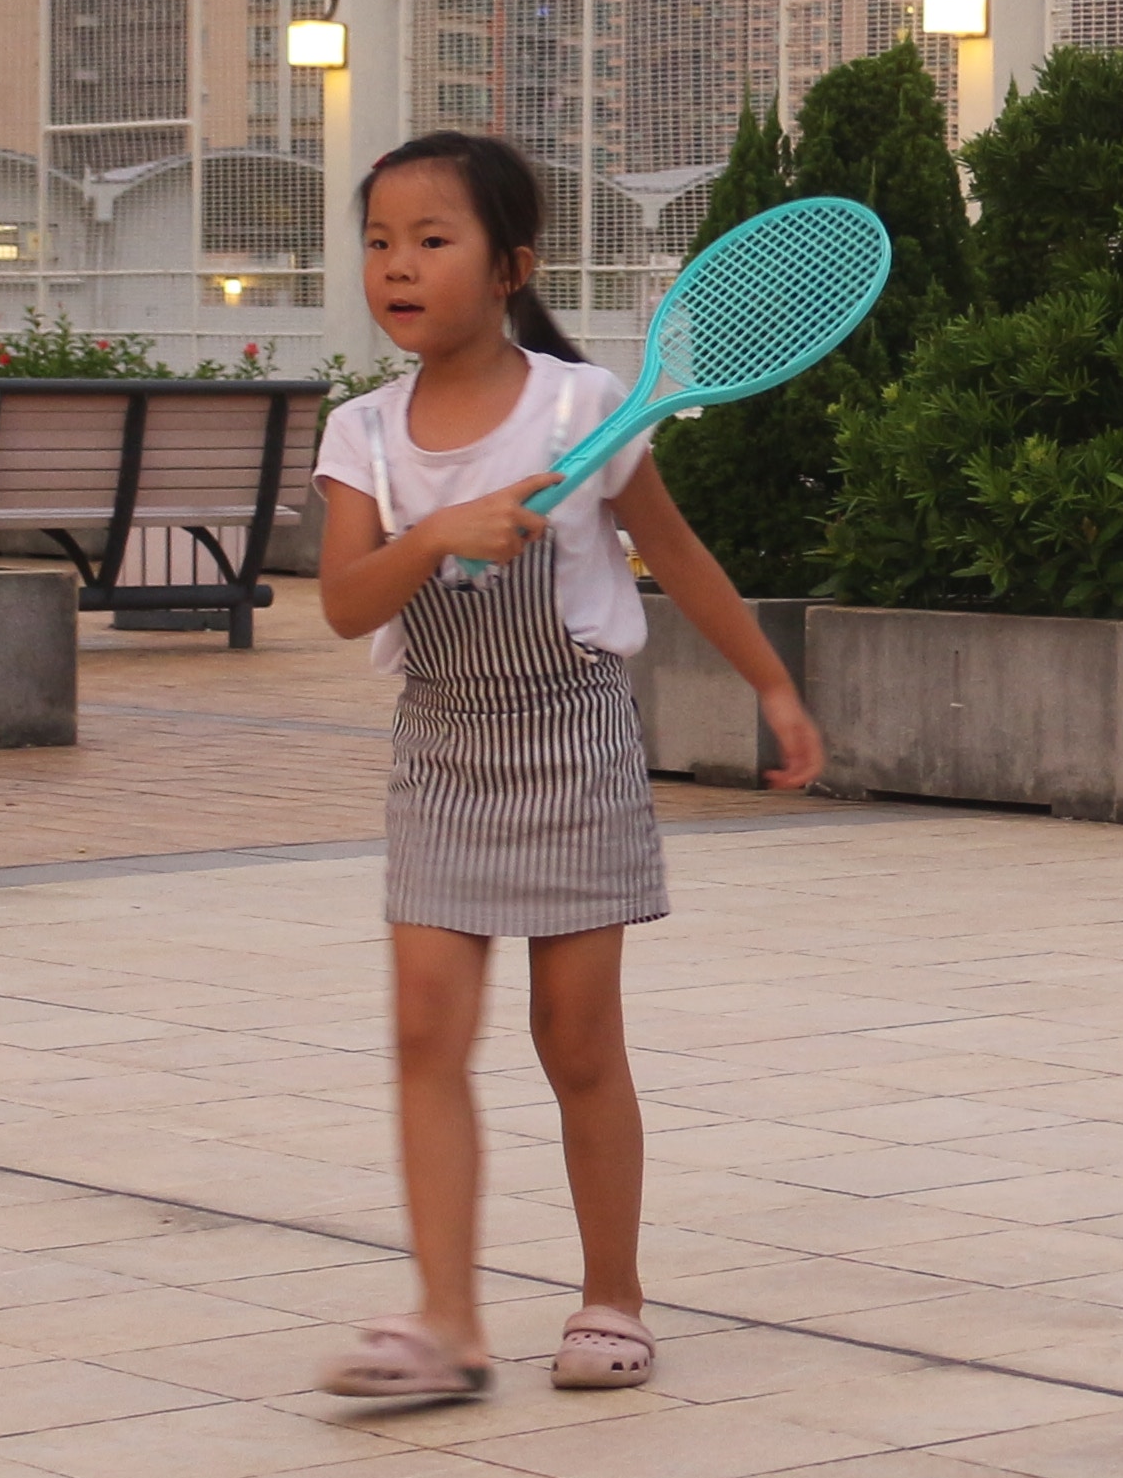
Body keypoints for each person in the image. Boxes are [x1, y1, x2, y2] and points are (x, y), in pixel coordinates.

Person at [306, 132, 818, 1403]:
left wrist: (770, 684)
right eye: (379, 242)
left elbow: (679, 556)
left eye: (433, 240)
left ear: (510, 266)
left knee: (575, 1041)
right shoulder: (360, 436)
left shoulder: (587, 410)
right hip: (443, 748)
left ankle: (613, 1299)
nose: (398, 267)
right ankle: (445, 1324)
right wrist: (436, 533)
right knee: (425, 1029)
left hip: (571, 741)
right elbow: (344, 605)